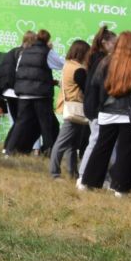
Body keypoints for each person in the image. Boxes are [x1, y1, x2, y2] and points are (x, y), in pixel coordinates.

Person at [79, 31, 131, 195]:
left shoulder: (105, 62)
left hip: (106, 112)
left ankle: (89, 182)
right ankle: (120, 189)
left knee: (102, 147)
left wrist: (96, 109)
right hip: (128, 114)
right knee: (126, 151)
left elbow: (96, 86)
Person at [4, 29, 62, 157]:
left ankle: (9, 150)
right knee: (45, 124)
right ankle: (48, 151)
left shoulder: (24, 51)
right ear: (47, 40)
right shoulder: (47, 52)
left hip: (24, 93)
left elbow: (19, 70)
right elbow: (60, 64)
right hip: (40, 94)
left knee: (20, 123)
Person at [48, 38, 91, 181]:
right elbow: (87, 89)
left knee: (71, 145)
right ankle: (54, 173)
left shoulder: (67, 65)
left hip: (69, 107)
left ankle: (73, 173)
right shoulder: (79, 70)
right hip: (76, 108)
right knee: (62, 143)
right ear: (82, 53)